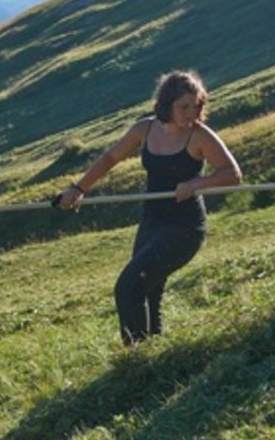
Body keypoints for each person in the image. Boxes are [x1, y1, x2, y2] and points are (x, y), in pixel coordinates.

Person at [56, 70, 241, 346]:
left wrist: (197, 183)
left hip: (185, 228)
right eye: (184, 107)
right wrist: (78, 188)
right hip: (152, 222)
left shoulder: (200, 136)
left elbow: (232, 174)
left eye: (196, 106)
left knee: (128, 287)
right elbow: (110, 157)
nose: (191, 113)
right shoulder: (145, 128)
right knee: (148, 292)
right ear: (167, 104)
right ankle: (151, 354)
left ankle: (135, 357)